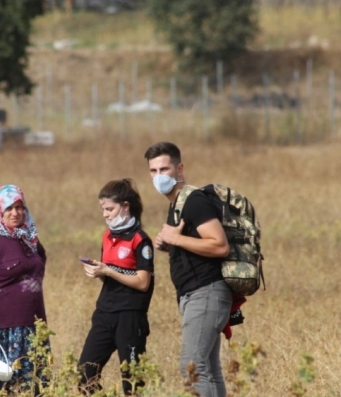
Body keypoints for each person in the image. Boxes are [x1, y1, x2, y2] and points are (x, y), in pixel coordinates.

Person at [143, 142, 231, 397]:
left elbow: (219, 246)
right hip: (194, 293)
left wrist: (176, 239)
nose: (159, 177)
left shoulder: (194, 201)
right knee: (208, 369)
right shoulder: (177, 203)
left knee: (192, 367)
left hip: (206, 291)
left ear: (179, 168)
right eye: (153, 171)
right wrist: (171, 245)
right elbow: (197, 245)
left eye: (164, 169)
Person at [0, 184, 49, 394]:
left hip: (34, 325)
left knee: (36, 387)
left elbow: (40, 263)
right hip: (4, 330)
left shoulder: (29, 237)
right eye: (9, 208)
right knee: (9, 388)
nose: (15, 213)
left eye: (19, 207)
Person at [78, 179, 155, 396]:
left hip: (130, 316)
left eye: (110, 209)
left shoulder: (141, 240)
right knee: (85, 373)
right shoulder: (107, 236)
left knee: (132, 382)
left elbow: (142, 282)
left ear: (125, 206)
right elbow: (112, 276)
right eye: (103, 209)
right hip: (104, 312)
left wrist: (109, 271)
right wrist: (99, 271)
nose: (105, 214)